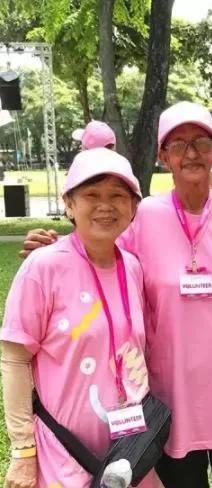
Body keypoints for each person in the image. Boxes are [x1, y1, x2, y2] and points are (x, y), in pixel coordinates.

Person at [20, 102, 212, 488]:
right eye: (178, 144)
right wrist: (54, 248)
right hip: (169, 398)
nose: (191, 153)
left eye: (201, 142)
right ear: (163, 156)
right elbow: (98, 252)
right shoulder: (144, 216)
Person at [1, 148, 159, 487]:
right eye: (92, 195)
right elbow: (14, 360)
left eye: (118, 196)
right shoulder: (43, 267)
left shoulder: (132, 267)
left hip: (129, 454)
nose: (105, 205)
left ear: (133, 207)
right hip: (65, 457)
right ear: (69, 204)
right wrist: (23, 450)